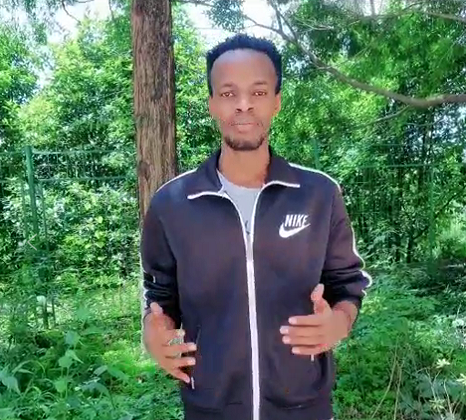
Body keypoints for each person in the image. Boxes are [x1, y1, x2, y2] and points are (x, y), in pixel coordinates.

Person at [140, 33, 372, 420]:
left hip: (305, 408)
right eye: (228, 93)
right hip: (210, 409)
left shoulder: (318, 194)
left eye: (258, 92)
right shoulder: (172, 203)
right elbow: (158, 294)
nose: (244, 104)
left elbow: (348, 284)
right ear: (212, 103)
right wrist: (153, 330)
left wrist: (339, 323)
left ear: (276, 101)